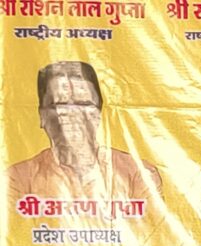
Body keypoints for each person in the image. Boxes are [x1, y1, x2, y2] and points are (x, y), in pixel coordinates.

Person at [6, 61, 162, 200]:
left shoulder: (138, 174)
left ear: (98, 114)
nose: (73, 113)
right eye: (60, 103)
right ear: (42, 115)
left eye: (84, 104)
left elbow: (153, 224)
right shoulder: (17, 179)